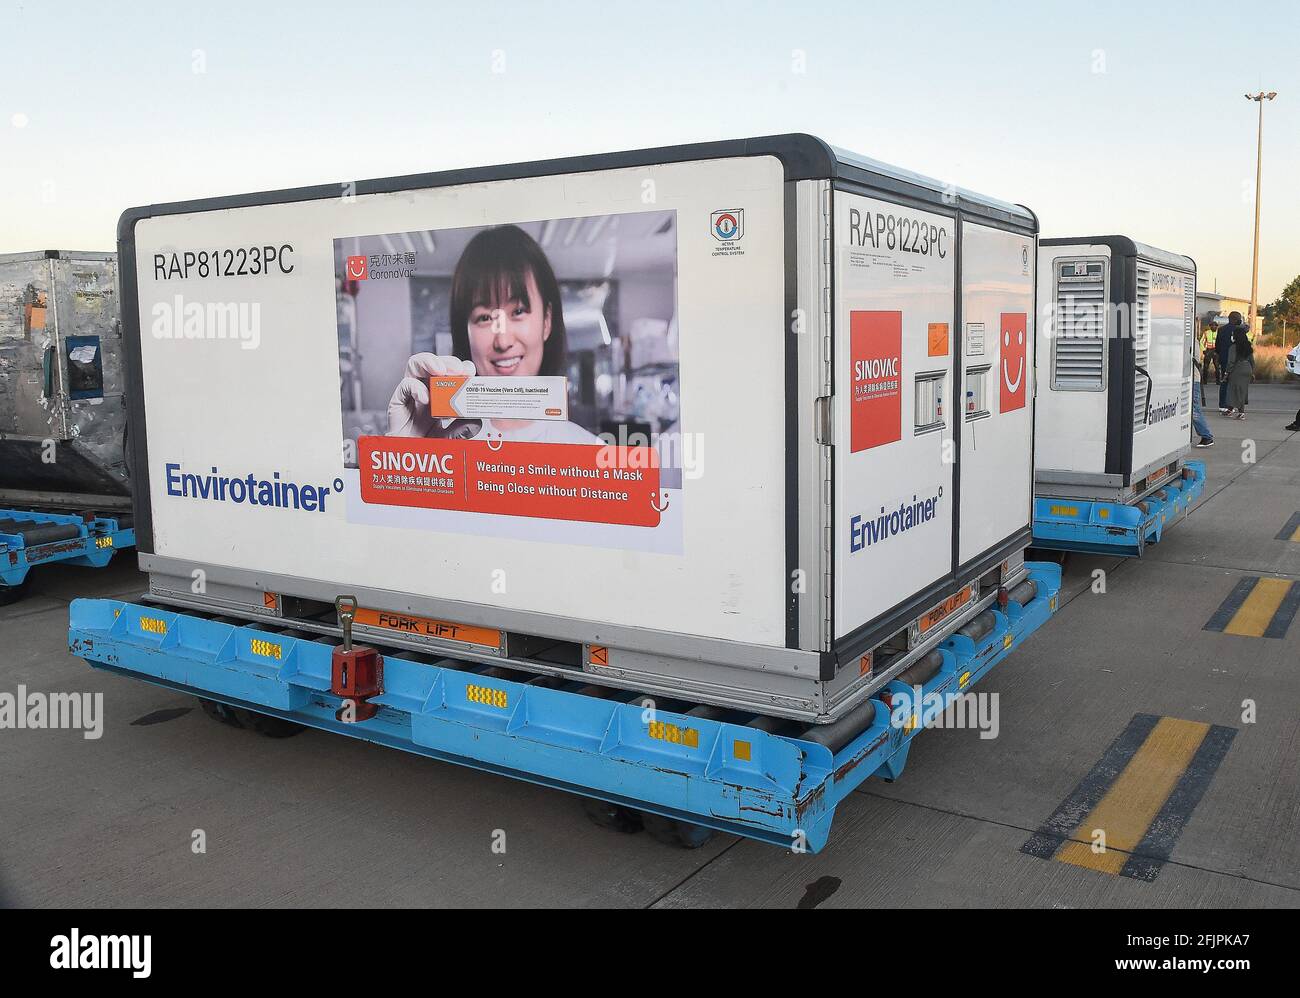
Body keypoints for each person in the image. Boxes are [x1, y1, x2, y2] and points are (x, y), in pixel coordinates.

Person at [386, 224, 599, 445]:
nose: (503, 341)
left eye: (518, 311)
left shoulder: (590, 450)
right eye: (485, 318)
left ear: (546, 321)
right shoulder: (442, 443)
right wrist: (408, 459)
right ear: (465, 332)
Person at [1225, 324, 1254, 420]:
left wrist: (1227, 372)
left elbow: (1231, 361)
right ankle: (1234, 410)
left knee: (1234, 390)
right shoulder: (1248, 346)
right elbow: (1252, 360)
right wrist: (1252, 372)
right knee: (1243, 391)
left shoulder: (1233, 347)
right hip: (1247, 368)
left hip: (1238, 369)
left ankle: (1240, 412)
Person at [1215, 312, 1242, 412]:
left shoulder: (1221, 330)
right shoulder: (1239, 330)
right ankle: (1231, 405)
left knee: (1224, 381)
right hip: (1235, 361)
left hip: (1224, 359)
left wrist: (1220, 355)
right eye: (1239, 319)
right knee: (1234, 383)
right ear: (1235, 319)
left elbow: (1217, 346)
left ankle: (1222, 405)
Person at [1191, 346, 1214, 447]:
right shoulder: (1194, 341)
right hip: (1192, 379)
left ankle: (1206, 436)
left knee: (1194, 409)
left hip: (1192, 380)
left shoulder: (1192, 341)